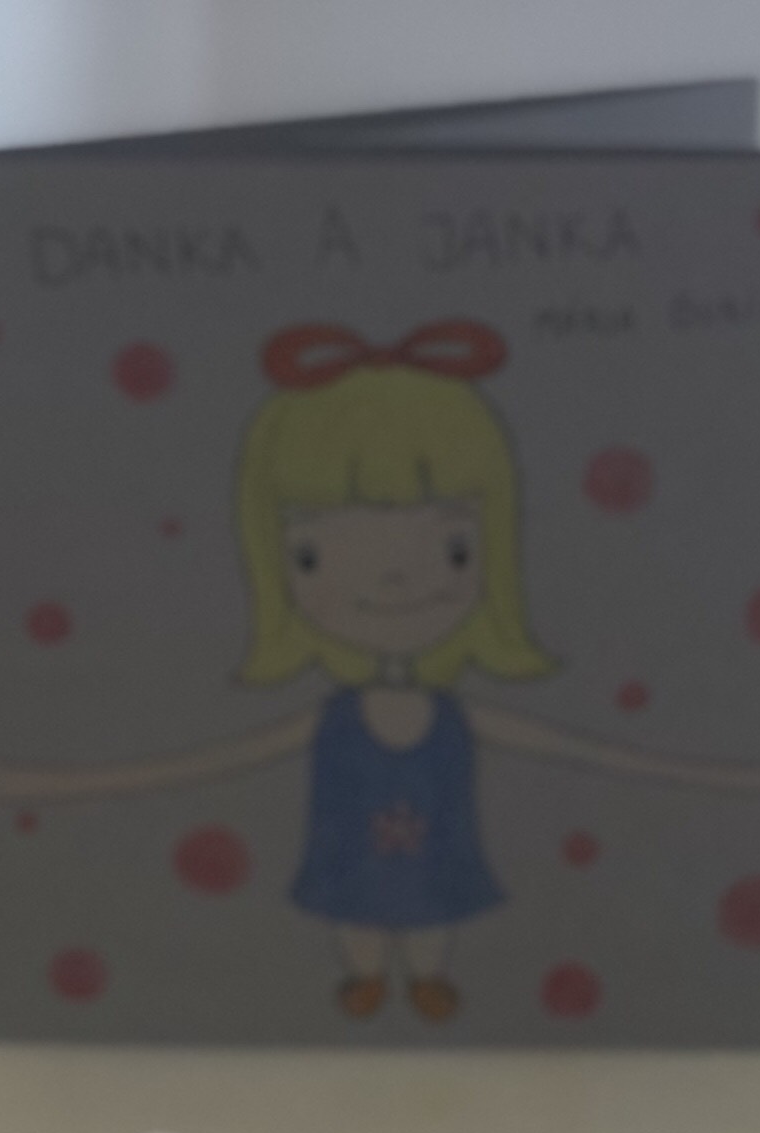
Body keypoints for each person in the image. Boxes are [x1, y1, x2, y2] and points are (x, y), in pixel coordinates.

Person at [233, 319, 552, 1022]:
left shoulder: (454, 717)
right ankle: (367, 977)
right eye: (315, 555)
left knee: (433, 914)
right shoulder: (335, 719)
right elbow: (226, 757)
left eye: (453, 549)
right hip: (355, 867)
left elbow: (566, 747)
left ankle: (427, 977)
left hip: (434, 864)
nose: (394, 580)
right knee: (360, 915)